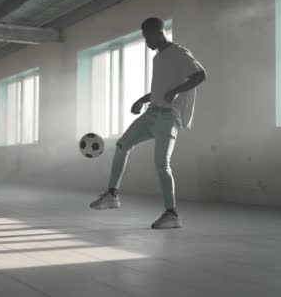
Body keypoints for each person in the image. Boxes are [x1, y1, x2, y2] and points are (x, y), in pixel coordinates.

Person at [89, 17, 207, 229]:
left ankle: (172, 214)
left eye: (147, 37)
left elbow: (200, 75)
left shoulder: (179, 52)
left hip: (168, 117)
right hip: (151, 114)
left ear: (158, 33)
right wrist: (141, 101)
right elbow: (160, 90)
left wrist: (175, 92)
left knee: (162, 164)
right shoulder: (158, 57)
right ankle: (112, 195)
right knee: (122, 145)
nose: (146, 42)